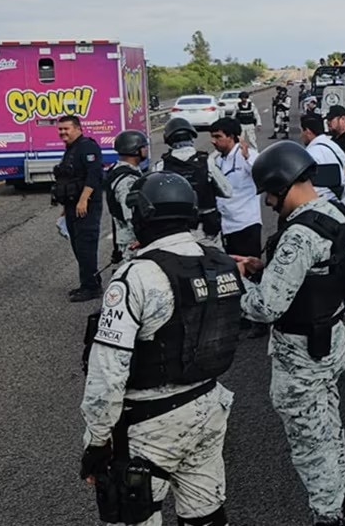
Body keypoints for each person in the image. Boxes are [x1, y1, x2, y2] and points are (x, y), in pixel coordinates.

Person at [79, 171, 241, 526]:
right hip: (209, 407)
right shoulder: (220, 263)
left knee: (134, 517)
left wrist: (96, 442)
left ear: (144, 217)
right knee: (205, 515)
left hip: (149, 425)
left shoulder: (135, 277)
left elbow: (107, 372)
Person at [234, 141, 345, 526]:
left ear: (283, 184)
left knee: (309, 439)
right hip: (329, 337)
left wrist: (232, 283)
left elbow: (264, 307)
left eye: (270, 194)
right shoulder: (335, 212)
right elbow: (318, 274)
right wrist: (261, 269)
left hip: (302, 353)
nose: (269, 203)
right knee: (327, 426)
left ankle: (327, 515)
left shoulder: (298, 235)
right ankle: (337, 496)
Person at [209, 117, 267, 340]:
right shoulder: (217, 160)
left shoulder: (248, 156)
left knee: (252, 271)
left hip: (247, 222)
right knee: (233, 271)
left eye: (218, 137)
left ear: (232, 137)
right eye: (212, 137)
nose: (213, 141)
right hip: (226, 224)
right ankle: (242, 314)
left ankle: (259, 319)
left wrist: (247, 157)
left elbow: (263, 174)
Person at [53, 114, 106, 303]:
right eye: (60, 129)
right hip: (72, 206)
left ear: (77, 128)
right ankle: (87, 283)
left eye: (66, 129)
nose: (62, 132)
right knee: (78, 247)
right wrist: (65, 207)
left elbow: (94, 175)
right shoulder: (71, 149)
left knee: (86, 247)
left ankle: (92, 288)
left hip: (87, 206)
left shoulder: (88, 147)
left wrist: (83, 200)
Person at [155, 117, 232, 246]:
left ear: (168, 139)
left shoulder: (161, 166)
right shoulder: (206, 161)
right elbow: (227, 191)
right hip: (207, 231)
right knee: (216, 264)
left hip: (177, 231)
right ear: (191, 137)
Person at [105, 130, 149, 264]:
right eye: (144, 147)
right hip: (133, 242)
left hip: (125, 238)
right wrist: (141, 238)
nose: (146, 150)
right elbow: (130, 213)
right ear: (136, 150)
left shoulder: (116, 169)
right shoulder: (127, 180)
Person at [301, 113, 345, 200]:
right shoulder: (333, 146)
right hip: (340, 197)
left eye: (302, 132)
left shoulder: (311, 154)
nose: (301, 136)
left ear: (308, 132)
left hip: (323, 200)